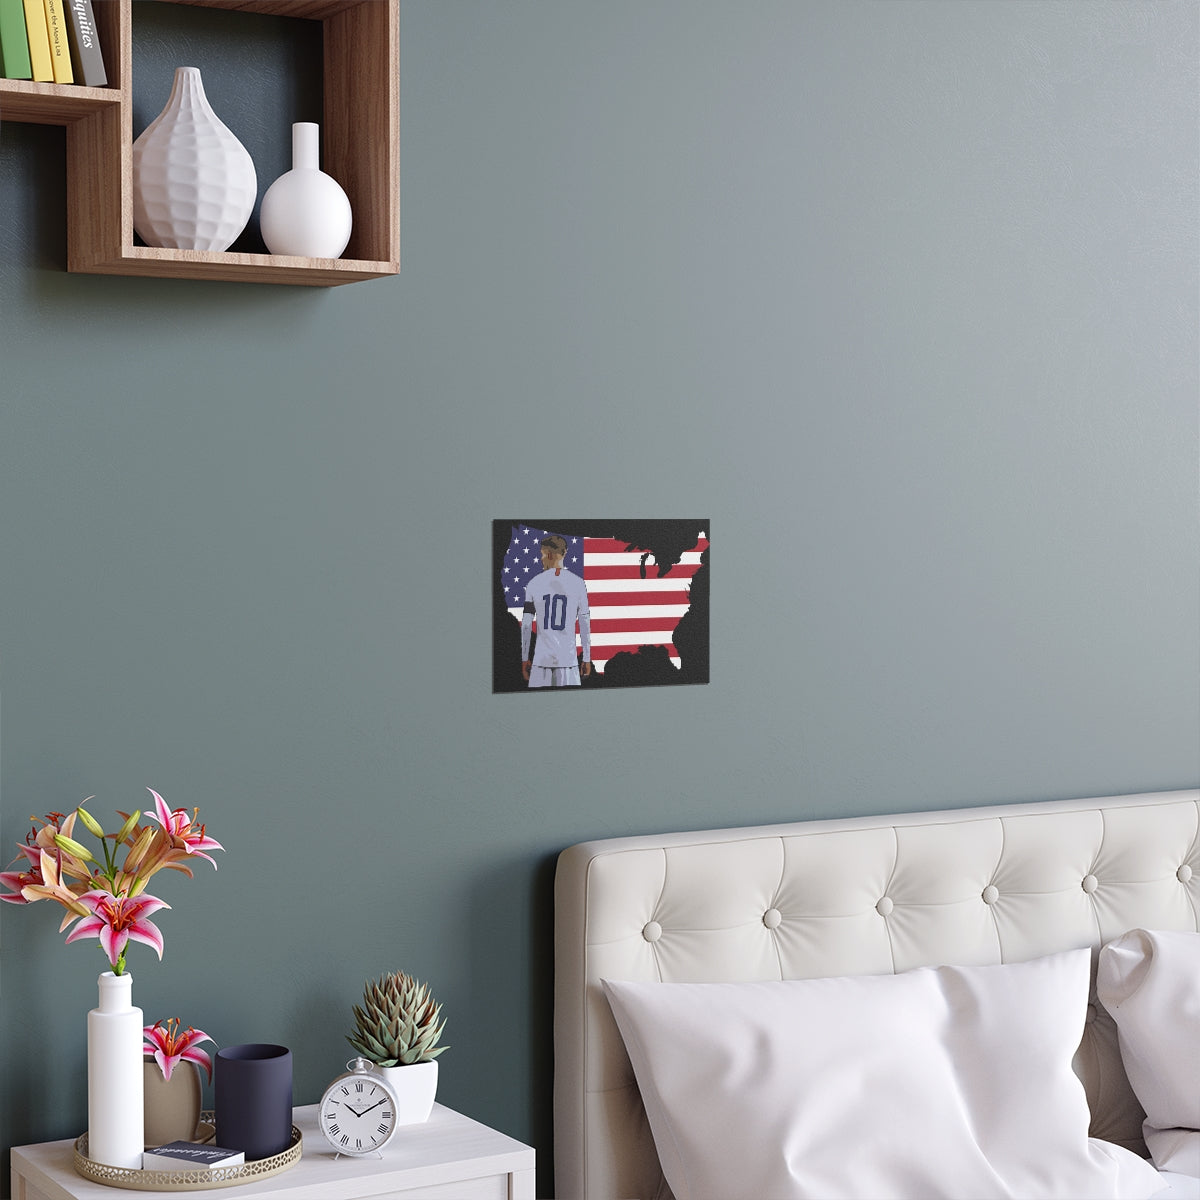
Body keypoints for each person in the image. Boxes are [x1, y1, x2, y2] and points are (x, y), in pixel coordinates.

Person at [521, 535, 592, 687]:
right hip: (568, 662)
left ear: (550, 554)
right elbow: (584, 624)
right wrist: (586, 658)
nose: (541, 559)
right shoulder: (578, 584)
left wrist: (524, 657)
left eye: (542, 554)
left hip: (541, 661)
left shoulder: (534, 583)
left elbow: (526, 625)